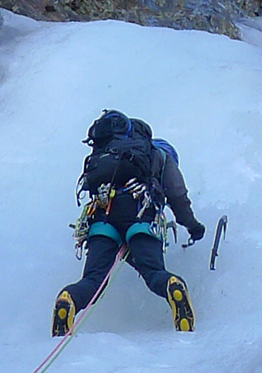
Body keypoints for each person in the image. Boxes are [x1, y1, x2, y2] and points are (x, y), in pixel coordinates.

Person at [53, 110, 204, 335]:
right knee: (153, 272)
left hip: (102, 215)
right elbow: (178, 197)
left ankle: (71, 298)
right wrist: (193, 227)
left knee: (94, 280)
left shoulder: (105, 153)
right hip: (140, 213)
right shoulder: (160, 156)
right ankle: (172, 285)